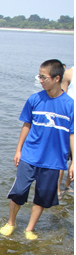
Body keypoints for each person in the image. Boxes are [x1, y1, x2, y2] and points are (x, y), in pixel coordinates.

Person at [0, 59, 74, 240]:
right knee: (18, 191)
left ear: (57, 78)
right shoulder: (34, 99)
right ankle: (11, 222)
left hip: (54, 159)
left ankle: (29, 229)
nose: (40, 80)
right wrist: (18, 150)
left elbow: (72, 134)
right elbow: (26, 125)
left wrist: (74, 163)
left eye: (43, 77)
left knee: (42, 197)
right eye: (39, 76)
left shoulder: (70, 105)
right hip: (30, 154)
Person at [58, 65, 74, 195]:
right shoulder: (70, 73)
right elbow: (61, 97)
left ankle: (67, 184)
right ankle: (57, 188)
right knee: (62, 157)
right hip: (67, 122)